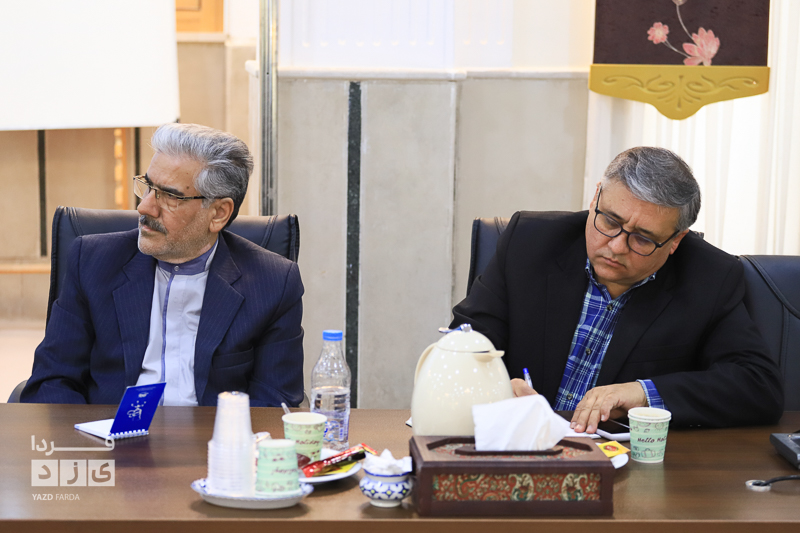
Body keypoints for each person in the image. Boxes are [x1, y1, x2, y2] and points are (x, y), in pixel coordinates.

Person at [451, 147, 783, 432]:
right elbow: (461, 343)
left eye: (642, 238)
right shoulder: (529, 242)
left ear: (675, 240)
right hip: (516, 443)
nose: (616, 246)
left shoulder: (710, 278)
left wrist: (643, 394)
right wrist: (493, 386)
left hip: (625, 465)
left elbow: (759, 386)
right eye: (610, 221)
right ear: (596, 196)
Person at [22, 123, 304, 407]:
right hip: (111, 429)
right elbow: (52, 382)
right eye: (148, 187)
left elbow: (275, 401)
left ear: (219, 213)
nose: (144, 207)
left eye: (170, 196)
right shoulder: (93, 262)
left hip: (215, 432)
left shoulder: (274, 283)